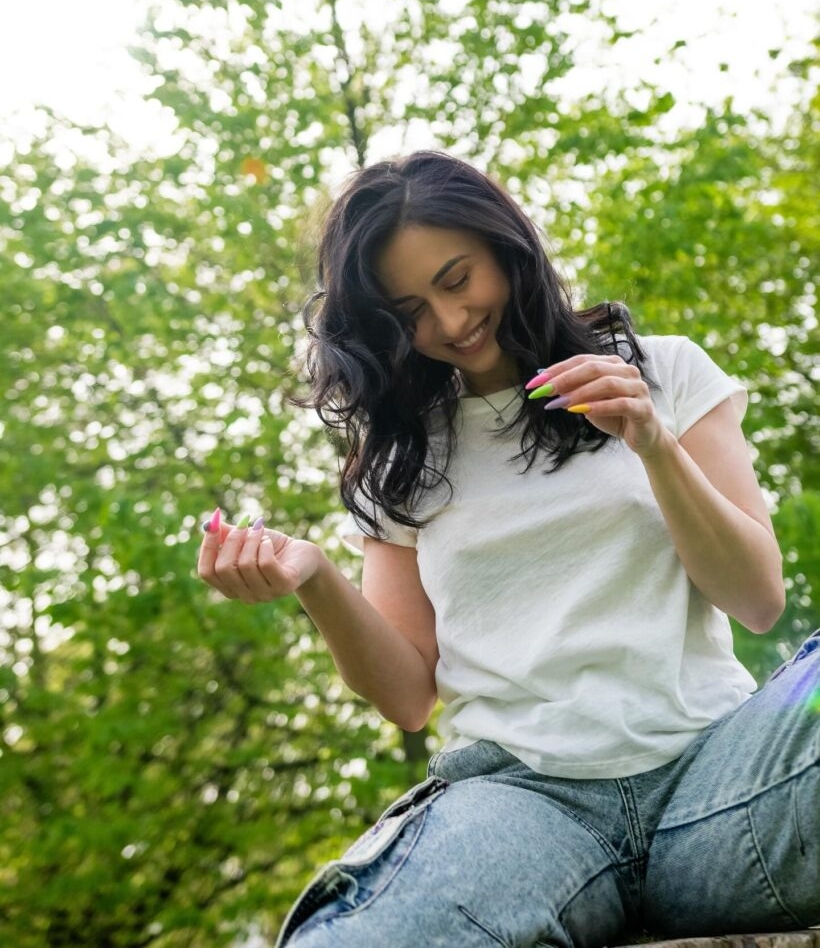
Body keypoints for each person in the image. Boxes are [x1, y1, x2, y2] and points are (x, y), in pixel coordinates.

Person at [197, 151, 819, 947]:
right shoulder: (402, 460)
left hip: (725, 784)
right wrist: (316, 579)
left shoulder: (661, 371)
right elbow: (408, 697)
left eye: (458, 280)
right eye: (411, 311)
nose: (451, 323)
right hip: (524, 812)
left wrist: (652, 443)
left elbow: (758, 597)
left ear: (506, 247)